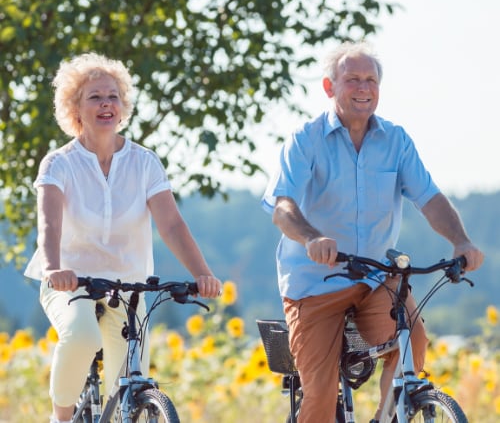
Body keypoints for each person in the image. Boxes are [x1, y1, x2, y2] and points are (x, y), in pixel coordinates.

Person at [261, 41, 484, 423]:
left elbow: (429, 198)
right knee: (319, 400)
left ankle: (386, 415)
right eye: (352, 80)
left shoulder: (395, 140)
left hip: (374, 276)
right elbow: (282, 208)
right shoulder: (306, 138)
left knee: (411, 341)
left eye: (371, 80)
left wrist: (460, 240)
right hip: (314, 283)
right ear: (330, 87)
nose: (363, 88)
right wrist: (312, 238)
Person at [24, 52, 222, 423]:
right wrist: (54, 267)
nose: (106, 104)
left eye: (113, 96)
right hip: (71, 282)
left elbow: (172, 225)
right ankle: (61, 417)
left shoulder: (144, 162)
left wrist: (202, 274)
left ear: (123, 105)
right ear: (76, 108)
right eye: (95, 97)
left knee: (128, 384)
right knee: (83, 336)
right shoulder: (59, 163)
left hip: (128, 287)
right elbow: (49, 225)